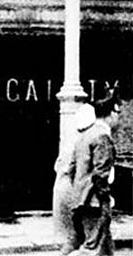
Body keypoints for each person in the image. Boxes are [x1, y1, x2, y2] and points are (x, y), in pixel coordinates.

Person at [67, 91, 122, 256]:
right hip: (95, 202)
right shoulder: (103, 137)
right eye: (118, 113)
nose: (119, 118)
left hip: (81, 200)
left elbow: (71, 169)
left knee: (104, 248)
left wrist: (80, 189)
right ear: (111, 113)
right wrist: (104, 197)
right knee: (92, 250)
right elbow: (100, 174)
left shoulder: (84, 136)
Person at [53, 102, 96, 255]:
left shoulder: (73, 141)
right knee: (87, 237)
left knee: (73, 236)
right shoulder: (88, 141)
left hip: (65, 191)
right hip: (78, 193)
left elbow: (63, 167)